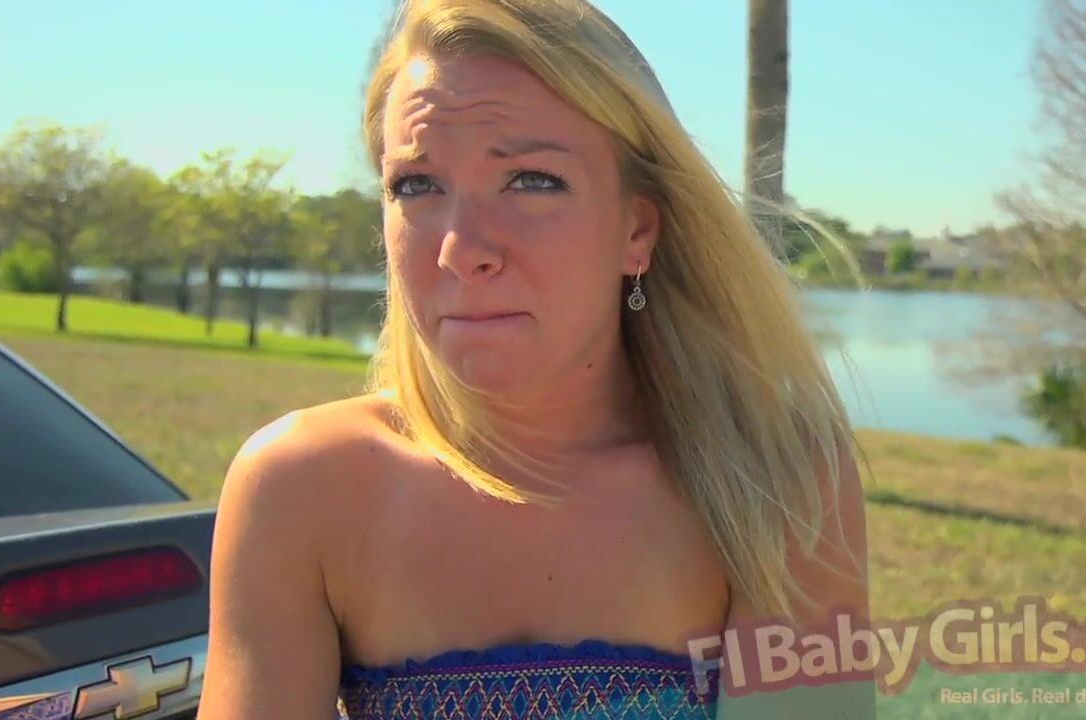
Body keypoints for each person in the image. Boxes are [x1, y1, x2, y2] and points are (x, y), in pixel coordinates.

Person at [198, 0, 874, 718]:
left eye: (531, 181)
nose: (461, 250)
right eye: (417, 185)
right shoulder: (300, 488)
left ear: (637, 230)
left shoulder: (772, 483)